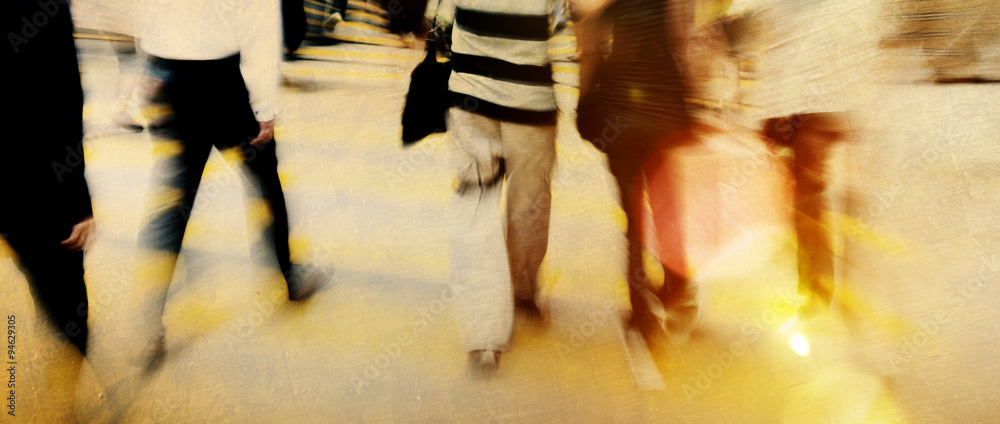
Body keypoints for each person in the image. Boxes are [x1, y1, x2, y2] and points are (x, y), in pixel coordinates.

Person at [135, 0, 326, 365]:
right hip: (224, 82)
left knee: (173, 201)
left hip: (168, 74)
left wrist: (147, 62)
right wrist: (264, 107)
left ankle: (149, 325)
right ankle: (293, 277)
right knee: (265, 181)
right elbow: (259, 23)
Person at [439, 0, 558, 377]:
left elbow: (437, 17)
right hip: (530, 104)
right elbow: (570, 16)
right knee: (529, 206)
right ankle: (522, 290)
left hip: (469, 99)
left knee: (475, 205)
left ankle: (484, 335)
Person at [571, 0, 701, 345]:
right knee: (668, 207)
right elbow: (684, 41)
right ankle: (677, 292)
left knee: (633, 218)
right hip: (666, 110)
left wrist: (584, 101)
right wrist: (691, 100)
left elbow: (589, 49)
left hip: (619, 113)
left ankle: (640, 311)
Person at [2, 0, 95, 358]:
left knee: (34, 257)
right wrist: (77, 203)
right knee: (62, 272)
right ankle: (72, 342)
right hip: (35, 171)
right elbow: (61, 101)